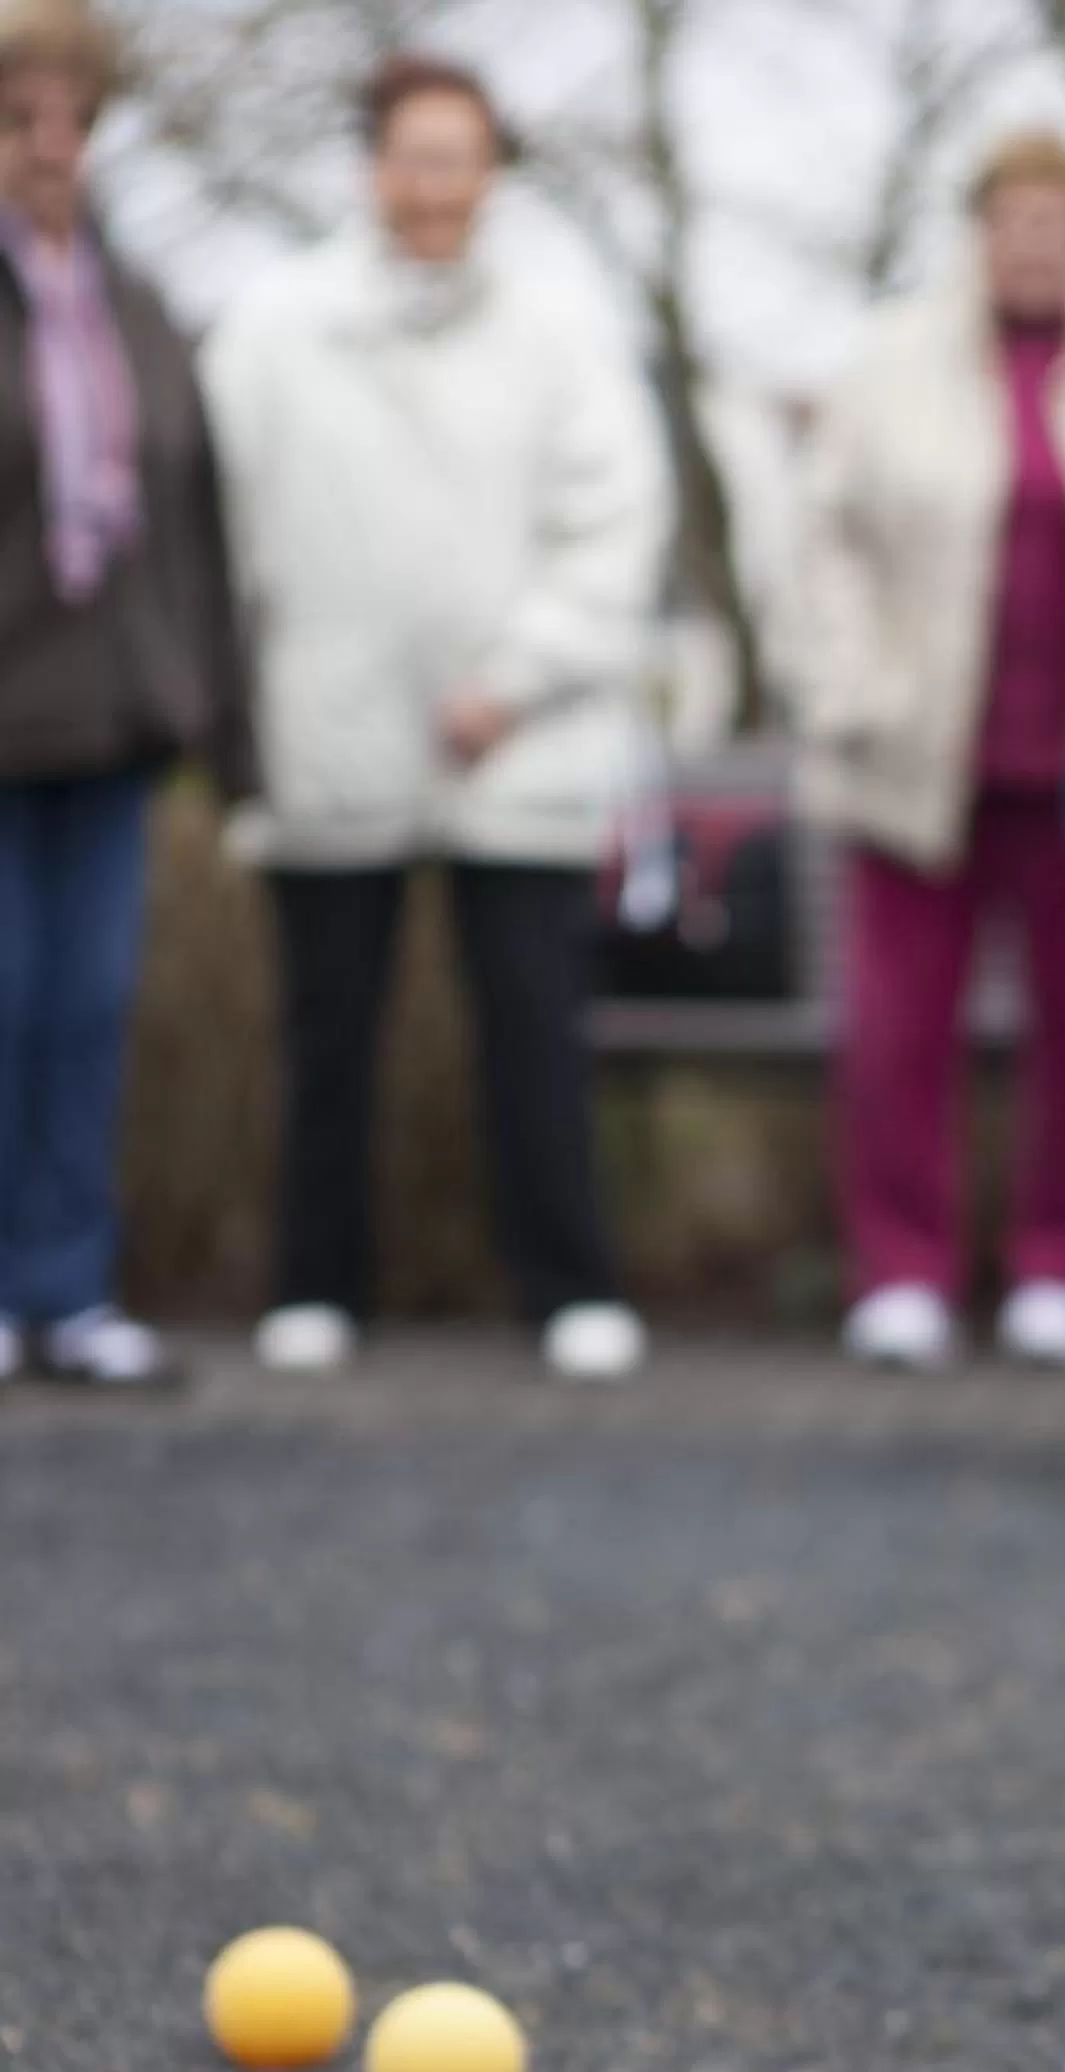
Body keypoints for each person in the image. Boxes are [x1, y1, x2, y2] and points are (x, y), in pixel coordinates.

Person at [205, 54, 668, 1382]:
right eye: (411, 156)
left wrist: (515, 678)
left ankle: (570, 1287)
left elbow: (616, 530)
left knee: (534, 1030)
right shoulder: (274, 329)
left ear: (493, 175)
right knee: (327, 1034)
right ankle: (315, 1287)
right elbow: (220, 530)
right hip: (329, 735)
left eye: (458, 158)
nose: (433, 185)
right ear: (372, 168)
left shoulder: (561, 334)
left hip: (519, 746)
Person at [796, 123, 1065, 1373]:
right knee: (894, 1032)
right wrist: (853, 684)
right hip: (916, 756)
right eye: (1013, 219)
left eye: (1060, 221)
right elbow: (817, 546)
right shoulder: (888, 366)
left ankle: (1059, 1267)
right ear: (976, 229)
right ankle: (902, 1274)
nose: (1035, 242)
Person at [0, 1, 252, 1389]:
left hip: (108, 719)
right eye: (20, 118)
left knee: (88, 1003)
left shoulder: (137, 302)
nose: (51, 146)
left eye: (75, 120)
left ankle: (65, 1284)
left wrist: (209, 703)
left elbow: (193, 515)